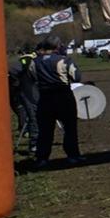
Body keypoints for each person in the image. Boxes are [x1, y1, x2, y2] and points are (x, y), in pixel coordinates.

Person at [33, 36, 83, 167]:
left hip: (44, 98)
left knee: (45, 130)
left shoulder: (35, 62)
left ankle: (42, 158)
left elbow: (32, 77)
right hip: (63, 96)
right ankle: (73, 155)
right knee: (70, 128)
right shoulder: (64, 60)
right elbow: (76, 77)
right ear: (58, 47)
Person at [8, 50, 38, 150]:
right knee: (33, 116)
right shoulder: (27, 61)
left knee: (31, 115)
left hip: (26, 92)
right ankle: (33, 141)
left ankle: (30, 134)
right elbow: (12, 70)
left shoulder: (23, 61)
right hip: (30, 92)